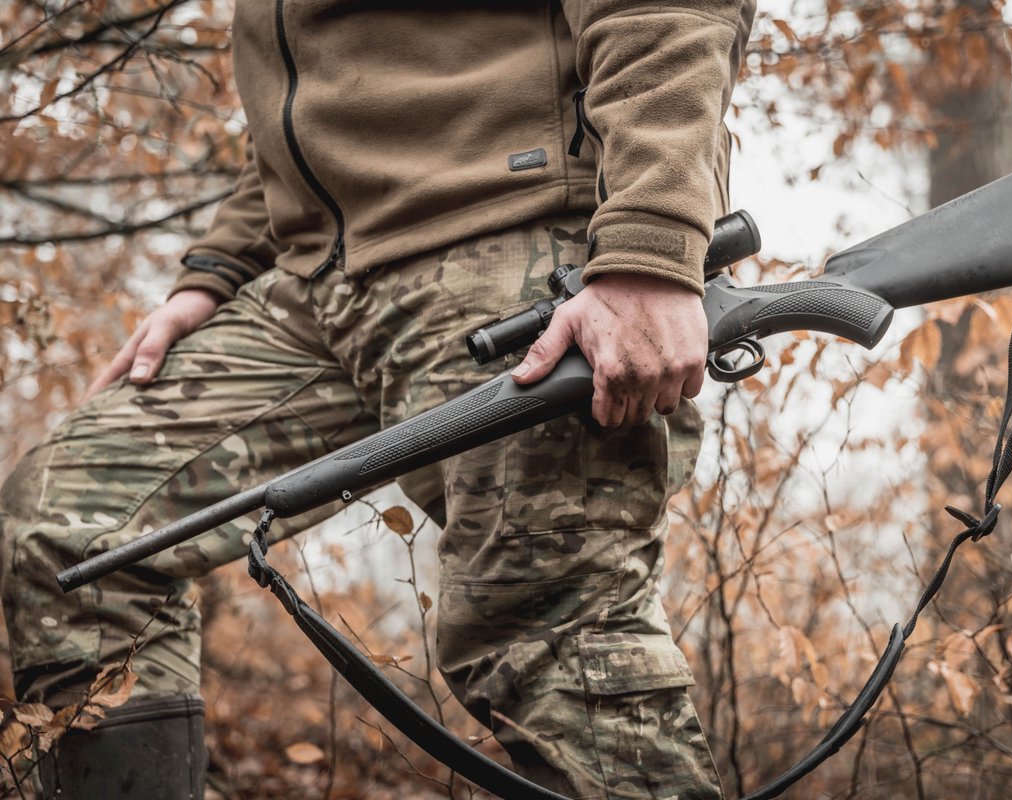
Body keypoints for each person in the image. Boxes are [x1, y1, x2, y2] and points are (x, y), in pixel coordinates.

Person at [0, 2, 754, 797]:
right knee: (76, 528)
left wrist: (650, 243)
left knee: (549, 637)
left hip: (511, 242)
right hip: (316, 284)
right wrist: (215, 272)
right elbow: (317, 120)